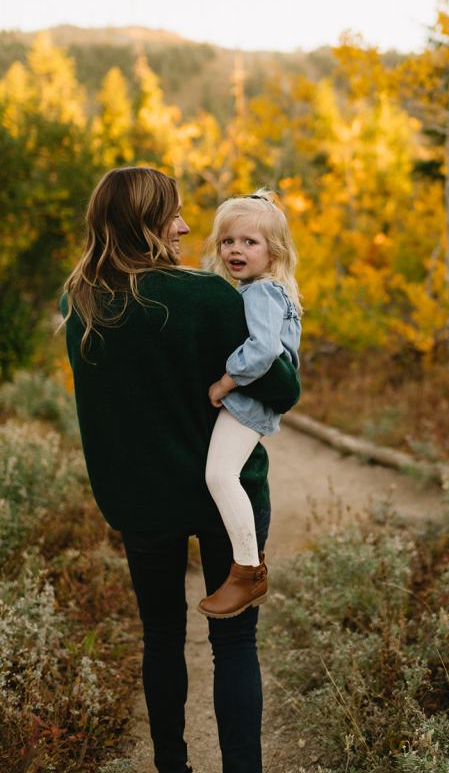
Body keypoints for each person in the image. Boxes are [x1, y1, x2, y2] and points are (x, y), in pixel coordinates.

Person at [60, 167, 300, 773]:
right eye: (173, 215)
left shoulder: (80, 302)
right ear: (146, 222)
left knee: (161, 635)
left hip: (140, 498)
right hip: (226, 493)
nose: (186, 227)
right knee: (235, 643)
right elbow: (283, 388)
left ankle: (172, 765)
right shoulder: (207, 296)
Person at [198, 190, 302, 619]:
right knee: (225, 473)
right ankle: (246, 568)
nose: (235, 250)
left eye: (249, 242)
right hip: (255, 398)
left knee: (220, 475)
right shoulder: (267, 289)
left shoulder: (260, 292)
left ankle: (248, 570)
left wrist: (225, 382)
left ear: (273, 251)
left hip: (249, 398)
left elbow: (263, 350)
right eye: (228, 241)